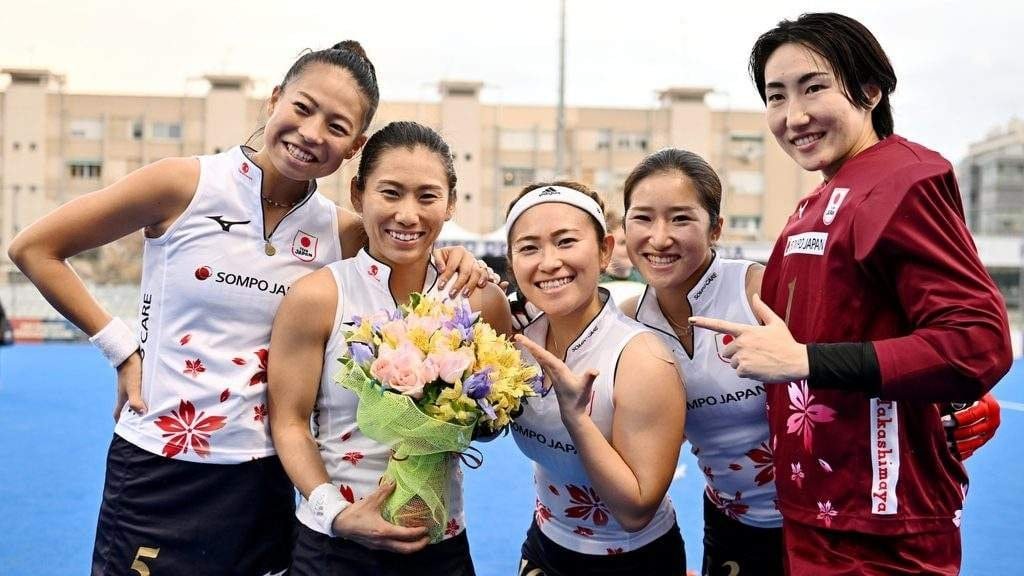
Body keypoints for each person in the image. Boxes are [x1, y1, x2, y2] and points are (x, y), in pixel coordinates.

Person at [7, 42, 492, 575]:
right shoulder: (182, 184)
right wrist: (121, 349)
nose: (311, 133)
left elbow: (407, 234)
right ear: (274, 99)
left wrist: (459, 257)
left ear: (353, 147)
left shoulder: (338, 230)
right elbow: (35, 249)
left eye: (336, 126)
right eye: (302, 108)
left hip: (265, 477)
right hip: (162, 464)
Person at [690, 13, 1013, 575]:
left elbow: (976, 342)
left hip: (879, 528)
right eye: (776, 96)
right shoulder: (818, 200)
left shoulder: (902, 179)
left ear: (869, 89)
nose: (794, 116)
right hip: (817, 509)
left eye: (814, 87)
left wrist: (805, 360)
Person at [268, 121, 511, 576]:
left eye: (427, 196)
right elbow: (289, 421)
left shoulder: (480, 300)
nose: (408, 214)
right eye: (391, 192)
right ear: (358, 195)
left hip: (440, 545)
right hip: (332, 548)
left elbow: (492, 426)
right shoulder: (317, 297)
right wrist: (335, 513)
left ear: (451, 203)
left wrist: (457, 413)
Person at [506, 181, 687, 576]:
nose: (549, 262)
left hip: (632, 558)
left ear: (605, 250)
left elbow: (635, 510)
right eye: (529, 247)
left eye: (566, 241)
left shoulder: (642, 359)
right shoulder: (514, 343)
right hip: (545, 543)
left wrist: (576, 417)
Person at [617, 148, 783, 575]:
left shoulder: (758, 289)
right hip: (732, 523)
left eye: (680, 218)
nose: (659, 237)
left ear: (716, 229)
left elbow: (840, 358)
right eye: (643, 217)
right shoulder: (629, 321)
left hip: (817, 517)